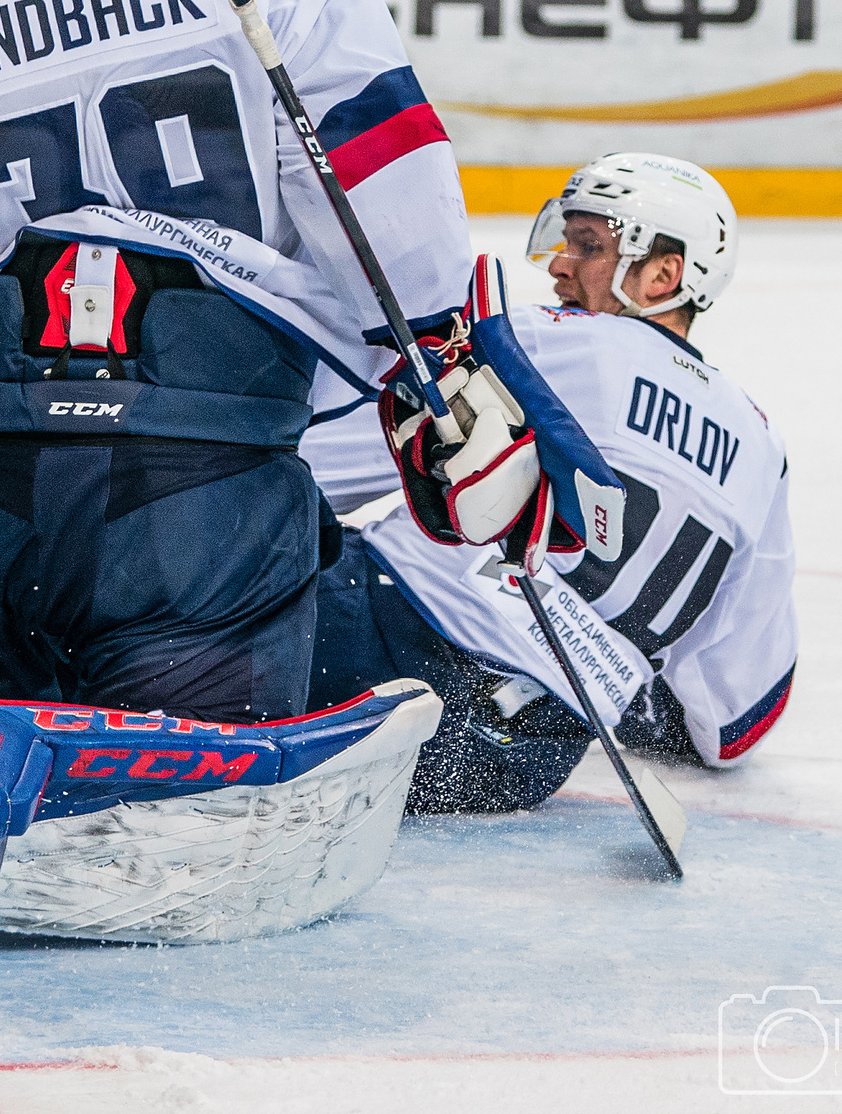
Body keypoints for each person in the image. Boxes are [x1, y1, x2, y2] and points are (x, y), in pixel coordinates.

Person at [0, 0, 513, 967]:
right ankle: (85, 767)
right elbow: (382, 184)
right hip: (199, 509)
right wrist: (441, 359)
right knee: (200, 772)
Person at [309, 154, 796, 812]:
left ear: (663, 275)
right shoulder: (760, 448)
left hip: (372, 650)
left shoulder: (543, 340)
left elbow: (309, 465)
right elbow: (734, 722)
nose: (559, 264)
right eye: (565, 240)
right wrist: (613, 676)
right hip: (524, 763)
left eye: (589, 246)